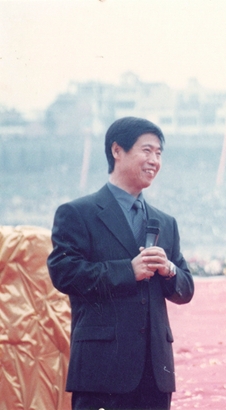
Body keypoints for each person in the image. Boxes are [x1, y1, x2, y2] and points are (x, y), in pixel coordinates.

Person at [47, 117, 195, 410]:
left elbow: (186, 289)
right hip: (101, 371)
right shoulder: (78, 213)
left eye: (159, 153)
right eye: (146, 150)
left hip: (155, 374)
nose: (154, 160)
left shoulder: (165, 222)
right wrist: (128, 271)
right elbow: (64, 273)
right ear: (117, 150)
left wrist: (169, 270)